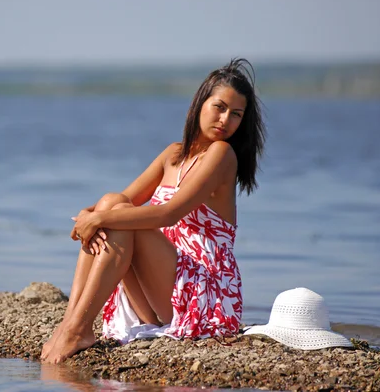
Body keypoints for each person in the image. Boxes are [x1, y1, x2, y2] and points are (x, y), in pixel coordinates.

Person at [42, 58, 266, 364]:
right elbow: (120, 201)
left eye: (236, 114)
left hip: (204, 293)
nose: (226, 119)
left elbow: (168, 214)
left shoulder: (222, 155)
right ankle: (71, 322)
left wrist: (97, 219)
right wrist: (88, 213)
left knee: (113, 215)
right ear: (200, 104)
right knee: (111, 202)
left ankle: (78, 327)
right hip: (160, 287)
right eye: (220, 107)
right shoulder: (173, 154)